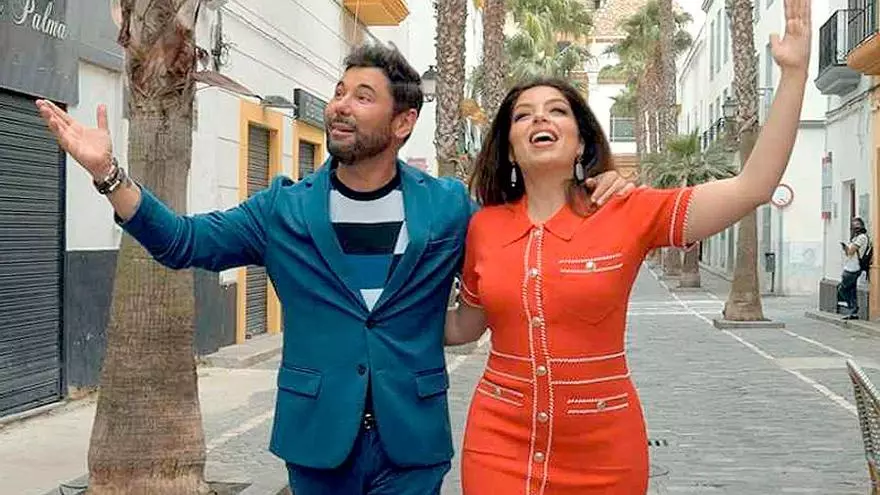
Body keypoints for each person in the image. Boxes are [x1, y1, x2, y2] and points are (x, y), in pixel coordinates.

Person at [36, 44, 634, 494]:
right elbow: (182, 242)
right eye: (340, 92)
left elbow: (525, 237)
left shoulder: (448, 207)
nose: (341, 106)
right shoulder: (283, 209)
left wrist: (591, 190)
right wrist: (109, 174)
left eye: (363, 96)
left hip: (412, 442)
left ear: (403, 122)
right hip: (317, 440)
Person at [443, 0, 811, 491]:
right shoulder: (483, 227)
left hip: (604, 450)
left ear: (580, 142)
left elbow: (753, 186)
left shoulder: (628, 210)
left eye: (557, 111)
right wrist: (375, 314)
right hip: (498, 444)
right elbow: (464, 327)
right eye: (522, 116)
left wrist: (794, 74)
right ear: (510, 148)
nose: (539, 119)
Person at [838, 216, 871, 320]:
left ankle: (853, 308)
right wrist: (846, 249)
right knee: (851, 290)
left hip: (853, 268)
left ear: (862, 226)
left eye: (857, 225)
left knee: (842, 289)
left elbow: (850, 251)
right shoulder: (856, 238)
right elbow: (849, 253)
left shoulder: (862, 238)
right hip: (850, 266)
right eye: (854, 225)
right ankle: (853, 312)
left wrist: (846, 248)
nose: (855, 227)